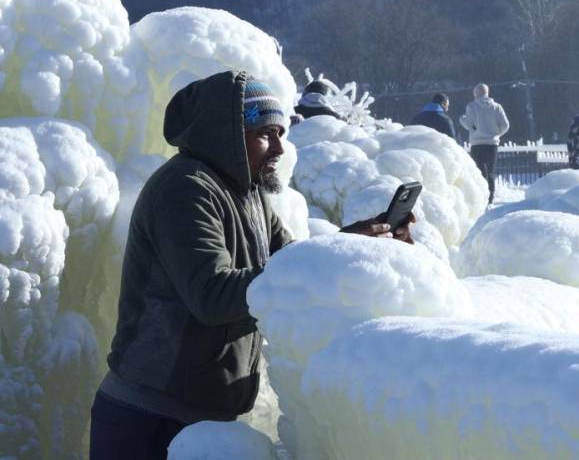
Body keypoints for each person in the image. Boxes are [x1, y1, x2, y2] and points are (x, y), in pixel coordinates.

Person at [90, 71, 410, 460]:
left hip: (203, 418)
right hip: (148, 419)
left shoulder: (250, 193)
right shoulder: (186, 188)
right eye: (264, 134)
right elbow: (212, 295)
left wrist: (353, 244)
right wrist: (325, 261)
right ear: (224, 134)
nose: (278, 148)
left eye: (281, 134)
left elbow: (295, 267)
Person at [459, 83, 509, 203]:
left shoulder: (471, 106)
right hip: (492, 144)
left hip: (477, 144)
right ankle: (490, 197)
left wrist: (462, 119)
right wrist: (497, 134)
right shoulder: (497, 107)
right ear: (487, 93)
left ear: (475, 93)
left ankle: (481, 196)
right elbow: (506, 125)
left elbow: (469, 125)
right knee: (491, 171)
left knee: (479, 171)